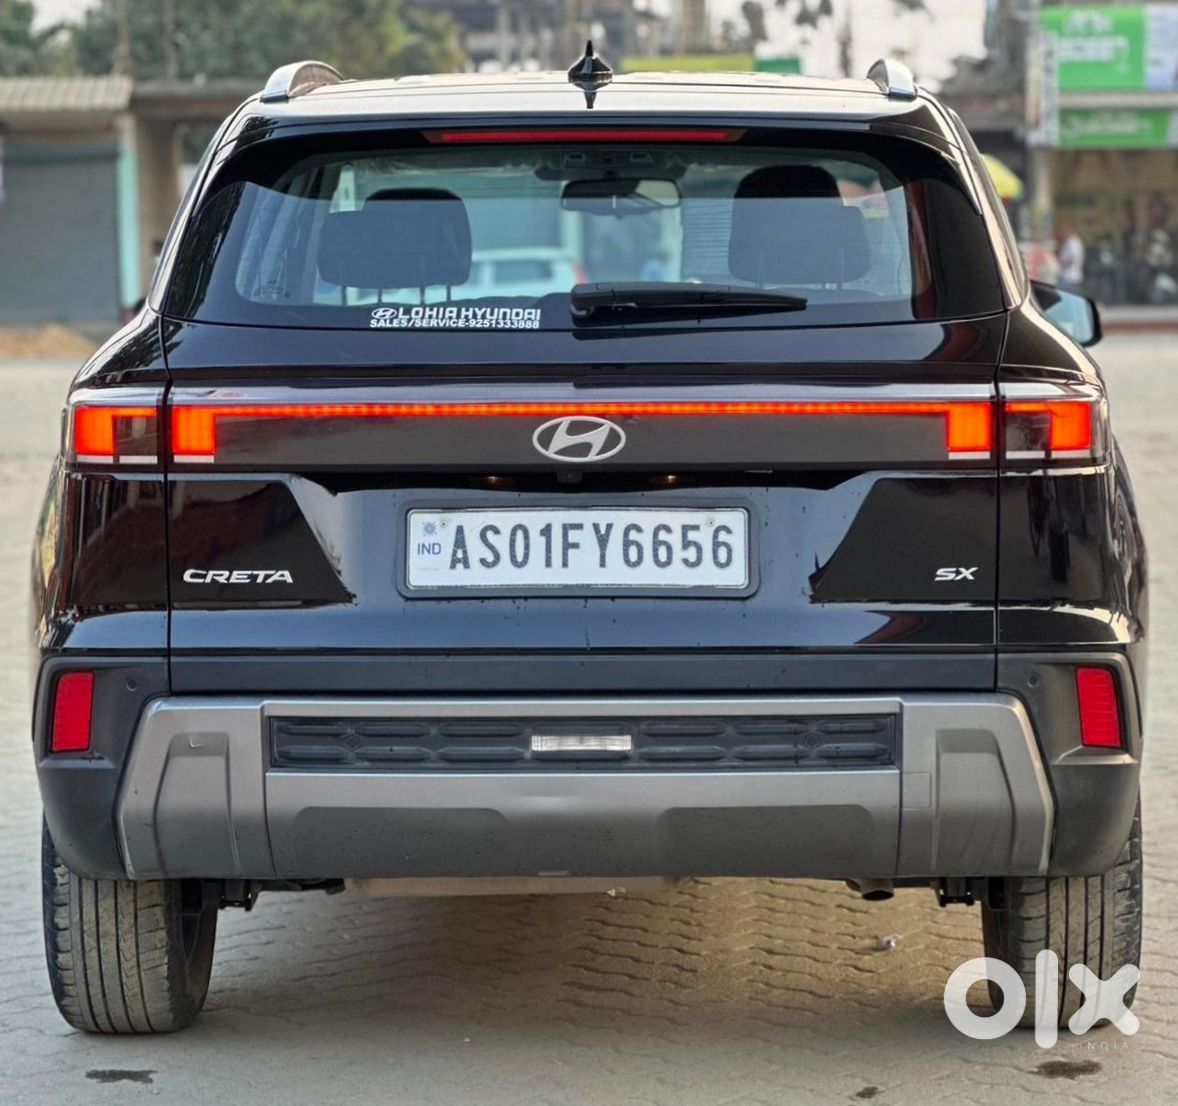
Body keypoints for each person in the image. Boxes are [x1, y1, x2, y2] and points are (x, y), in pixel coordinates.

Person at [1058, 228, 1086, 293]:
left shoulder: (1072, 242)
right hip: (1071, 277)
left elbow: (1073, 257)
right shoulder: (1072, 242)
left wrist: (1064, 263)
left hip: (1069, 277)